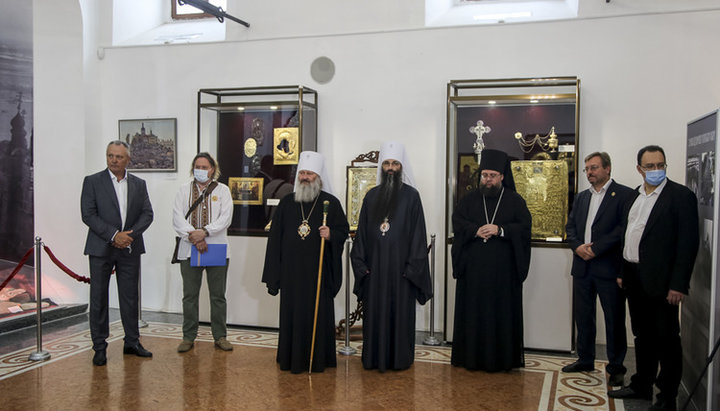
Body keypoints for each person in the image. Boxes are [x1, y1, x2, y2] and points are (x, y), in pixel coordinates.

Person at [608, 145, 699, 411]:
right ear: (639, 169)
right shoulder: (633, 197)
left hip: (663, 282)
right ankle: (641, 384)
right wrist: (623, 273)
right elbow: (628, 237)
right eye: (650, 166)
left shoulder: (680, 196)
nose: (656, 170)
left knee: (667, 340)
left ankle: (667, 396)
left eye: (660, 165)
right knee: (642, 335)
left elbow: (687, 244)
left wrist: (678, 284)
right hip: (634, 277)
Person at [262, 151, 349, 373]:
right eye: (302, 173)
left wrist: (331, 234)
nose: (305, 177)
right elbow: (275, 240)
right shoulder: (286, 203)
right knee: (292, 315)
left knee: (318, 316)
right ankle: (291, 357)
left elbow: (343, 232)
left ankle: (319, 357)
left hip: (318, 275)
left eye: (310, 173)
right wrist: (274, 273)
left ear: (318, 177)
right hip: (291, 275)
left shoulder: (331, 203)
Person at [350, 141, 432, 372]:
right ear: (381, 167)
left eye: (395, 163)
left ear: (401, 167)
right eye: (386, 163)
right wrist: (362, 269)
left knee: (399, 319)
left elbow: (418, 236)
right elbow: (362, 237)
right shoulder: (371, 196)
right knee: (374, 318)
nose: (390, 167)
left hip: (401, 274)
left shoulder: (412, 197)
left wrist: (411, 270)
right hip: (374, 272)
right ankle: (373, 358)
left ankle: (399, 360)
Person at [450, 149, 531, 372]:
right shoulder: (469, 200)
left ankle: (503, 360)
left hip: (503, 274)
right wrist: (475, 231)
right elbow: (457, 222)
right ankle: (471, 358)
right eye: (484, 175)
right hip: (473, 273)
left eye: (492, 175)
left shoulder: (515, 201)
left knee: (501, 315)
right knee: (474, 314)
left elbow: (524, 229)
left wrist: (501, 229)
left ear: (502, 176)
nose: (487, 180)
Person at [562, 152, 634, 386]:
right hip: (582, 266)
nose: (590, 172)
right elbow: (570, 226)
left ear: (607, 169)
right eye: (587, 169)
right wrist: (578, 247)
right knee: (583, 317)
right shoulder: (582, 197)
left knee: (613, 319)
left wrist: (597, 249)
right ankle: (585, 359)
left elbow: (623, 229)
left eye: (594, 167)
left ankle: (616, 366)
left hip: (608, 268)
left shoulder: (624, 195)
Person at [81, 140, 154, 366]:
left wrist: (128, 235)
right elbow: (88, 214)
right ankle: (99, 347)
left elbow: (147, 214)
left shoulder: (139, 184)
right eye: (110, 156)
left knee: (130, 297)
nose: (114, 160)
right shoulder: (92, 181)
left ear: (128, 160)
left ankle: (132, 342)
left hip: (129, 247)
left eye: (119, 157)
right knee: (99, 297)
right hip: (101, 248)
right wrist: (114, 235)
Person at [173, 152, 234, 353]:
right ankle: (188, 336)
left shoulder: (223, 191)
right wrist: (194, 236)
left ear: (213, 169)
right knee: (190, 295)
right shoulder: (183, 190)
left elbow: (226, 218)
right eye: (197, 166)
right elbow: (177, 218)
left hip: (216, 248)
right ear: (193, 169)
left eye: (205, 167)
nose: (201, 170)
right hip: (189, 249)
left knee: (218, 295)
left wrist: (205, 232)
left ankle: (220, 335)